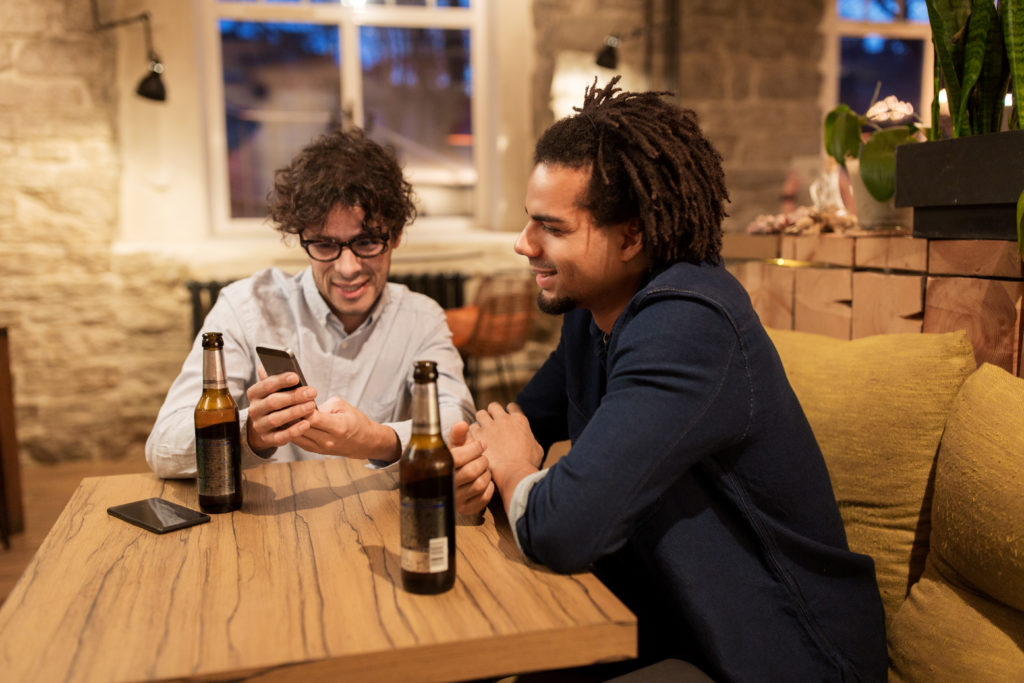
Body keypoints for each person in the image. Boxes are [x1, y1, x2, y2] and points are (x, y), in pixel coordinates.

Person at [451, 77, 887, 681]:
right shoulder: (592, 312)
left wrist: (514, 469)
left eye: (551, 227)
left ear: (632, 236)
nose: (523, 245)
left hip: (787, 651)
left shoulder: (687, 324)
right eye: (530, 221)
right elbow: (515, 426)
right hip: (672, 619)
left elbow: (566, 526)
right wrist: (478, 468)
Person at [147, 128, 475, 478]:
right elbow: (163, 447)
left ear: (395, 236)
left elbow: (460, 422)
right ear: (301, 238)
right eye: (324, 245)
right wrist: (250, 432)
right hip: (269, 524)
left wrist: (378, 439)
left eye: (366, 243)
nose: (347, 268)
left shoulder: (420, 318)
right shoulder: (246, 307)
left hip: (378, 520)